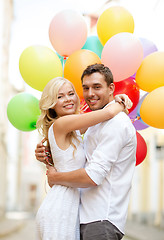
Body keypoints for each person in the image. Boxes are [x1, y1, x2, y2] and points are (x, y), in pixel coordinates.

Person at [35, 72, 132, 240]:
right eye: (60, 96)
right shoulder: (63, 124)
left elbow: (96, 120)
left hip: (72, 208)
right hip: (61, 206)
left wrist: (113, 97)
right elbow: (107, 115)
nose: (68, 99)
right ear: (52, 104)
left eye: (71, 93)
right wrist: (120, 103)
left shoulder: (74, 128)